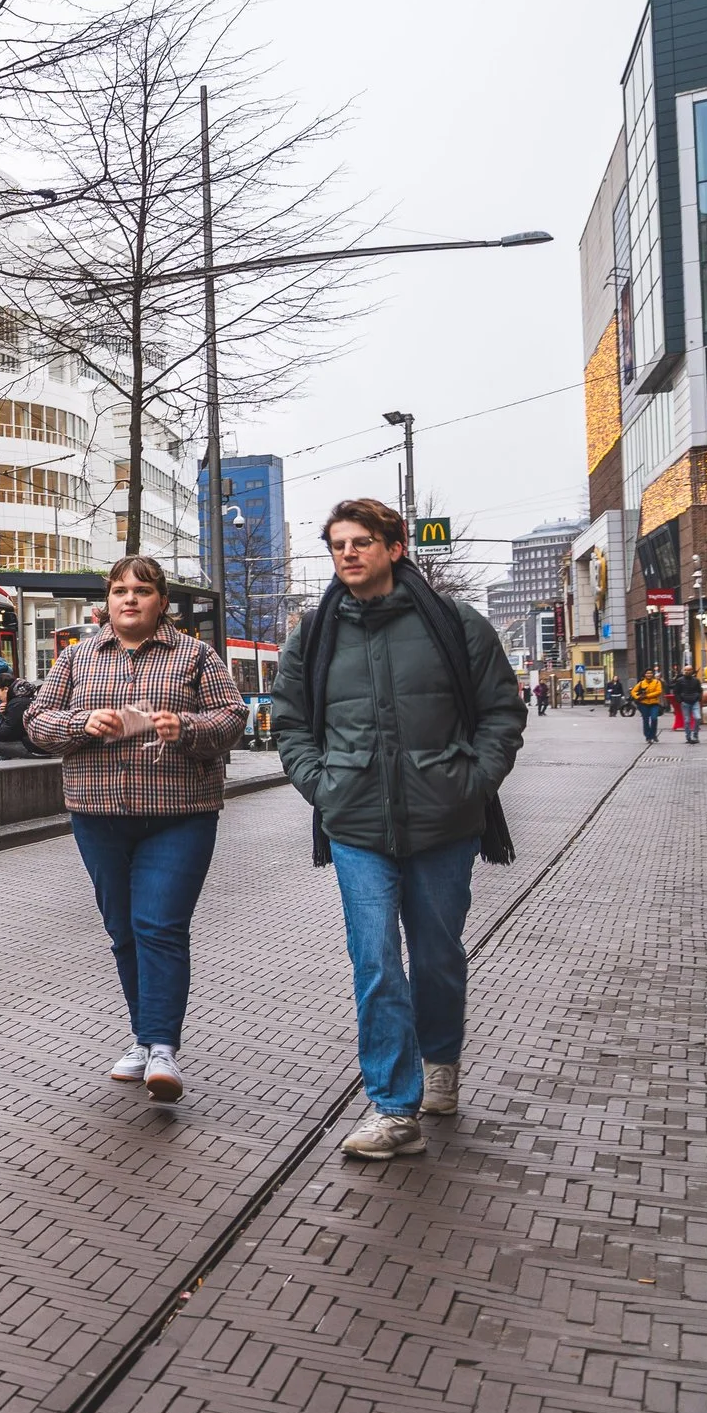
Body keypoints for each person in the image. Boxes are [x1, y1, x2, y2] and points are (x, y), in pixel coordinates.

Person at [271, 497, 526, 1162]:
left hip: (446, 817)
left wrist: (474, 779)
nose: (348, 553)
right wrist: (323, 787)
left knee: (438, 956)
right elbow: (290, 723)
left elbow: (502, 710)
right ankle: (393, 1105)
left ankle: (440, 1059)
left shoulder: (455, 624)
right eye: (337, 544)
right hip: (355, 820)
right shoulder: (315, 635)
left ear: (395, 547)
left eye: (361, 541)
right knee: (377, 958)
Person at [25, 557, 246, 1104]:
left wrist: (185, 725)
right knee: (123, 928)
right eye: (120, 590)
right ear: (108, 600)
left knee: (159, 925)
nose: (130, 599)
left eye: (142, 591)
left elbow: (232, 718)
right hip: (98, 815)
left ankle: (163, 1048)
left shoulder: (196, 656)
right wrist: (84, 723)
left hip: (181, 813)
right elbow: (37, 724)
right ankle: (144, 1038)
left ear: (161, 601)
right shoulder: (76, 660)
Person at [0, 676, 43, 760]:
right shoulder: (27, 698)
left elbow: (8, 732)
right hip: (38, 744)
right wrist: (6, 713)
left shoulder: (16, 703)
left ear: (6, 689)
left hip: (33, 747)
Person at [674, 667, 704, 744]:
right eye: (685, 670)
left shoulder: (696, 680)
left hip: (695, 701)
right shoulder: (680, 680)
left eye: (689, 670)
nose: (687, 671)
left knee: (697, 718)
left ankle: (695, 735)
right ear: (683, 671)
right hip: (685, 702)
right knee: (687, 720)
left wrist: (699, 698)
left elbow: (700, 690)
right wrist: (680, 700)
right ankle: (688, 736)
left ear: (692, 671)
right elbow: (676, 691)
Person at [632, 669, 663, 741]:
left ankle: (653, 734)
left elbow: (658, 692)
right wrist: (638, 697)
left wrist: (647, 696)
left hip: (654, 703)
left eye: (650, 673)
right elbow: (633, 691)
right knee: (645, 720)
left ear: (653, 674)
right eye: (647, 673)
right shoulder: (641, 683)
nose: (649, 674)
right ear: (645, 674)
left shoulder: (657, 682)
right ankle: (648, 736)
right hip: (643, 704)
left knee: (654, 718)